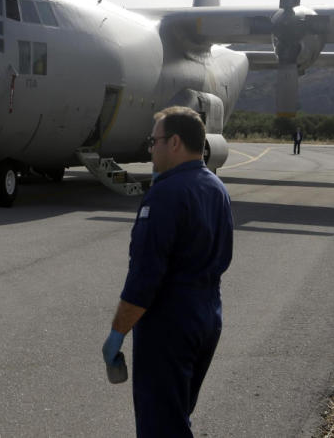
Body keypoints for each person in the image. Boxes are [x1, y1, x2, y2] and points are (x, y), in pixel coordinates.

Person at [102, 106, 233, 437]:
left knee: (161, 426)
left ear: (174, 142)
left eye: (154, 140)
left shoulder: (164, 195)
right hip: (207, 316)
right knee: (176, 416)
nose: (150, 149)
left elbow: (145, 278)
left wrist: (117, 333)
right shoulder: (216, 188)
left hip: (169, 324)